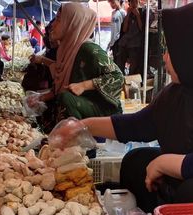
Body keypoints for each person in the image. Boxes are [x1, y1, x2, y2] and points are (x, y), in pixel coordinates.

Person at [55, 2, 193, 212]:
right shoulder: (183, 89)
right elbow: (138, 125)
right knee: (135, 161)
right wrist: (82, 126)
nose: (165, 57)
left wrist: (165, 163)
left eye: (175, 50)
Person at [30, 3, 124, 132]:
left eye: (58, 19)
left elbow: (117, 77)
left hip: (102, 109)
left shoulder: (89, 49)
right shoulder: (66, 50)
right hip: (81, 105)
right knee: (49, 106)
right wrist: (42, 97)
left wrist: (84, 85)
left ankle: (77, 139)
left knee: (65, 98)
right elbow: (62, 83)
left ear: (72, 24)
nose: (52, 25)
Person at [115, 0, 153, 75]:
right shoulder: (128, 13)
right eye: (131, 2)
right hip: (125, 42)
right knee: (120, 61)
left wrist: (138, 16)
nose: (133, 3)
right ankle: (121, 77)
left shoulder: (144, 11)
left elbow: (142, 28)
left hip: (135, 43)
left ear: (138, 1)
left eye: (135, 1)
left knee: (134, 64)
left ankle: (131, 79)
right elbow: (124, 29)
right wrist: (128, 14)